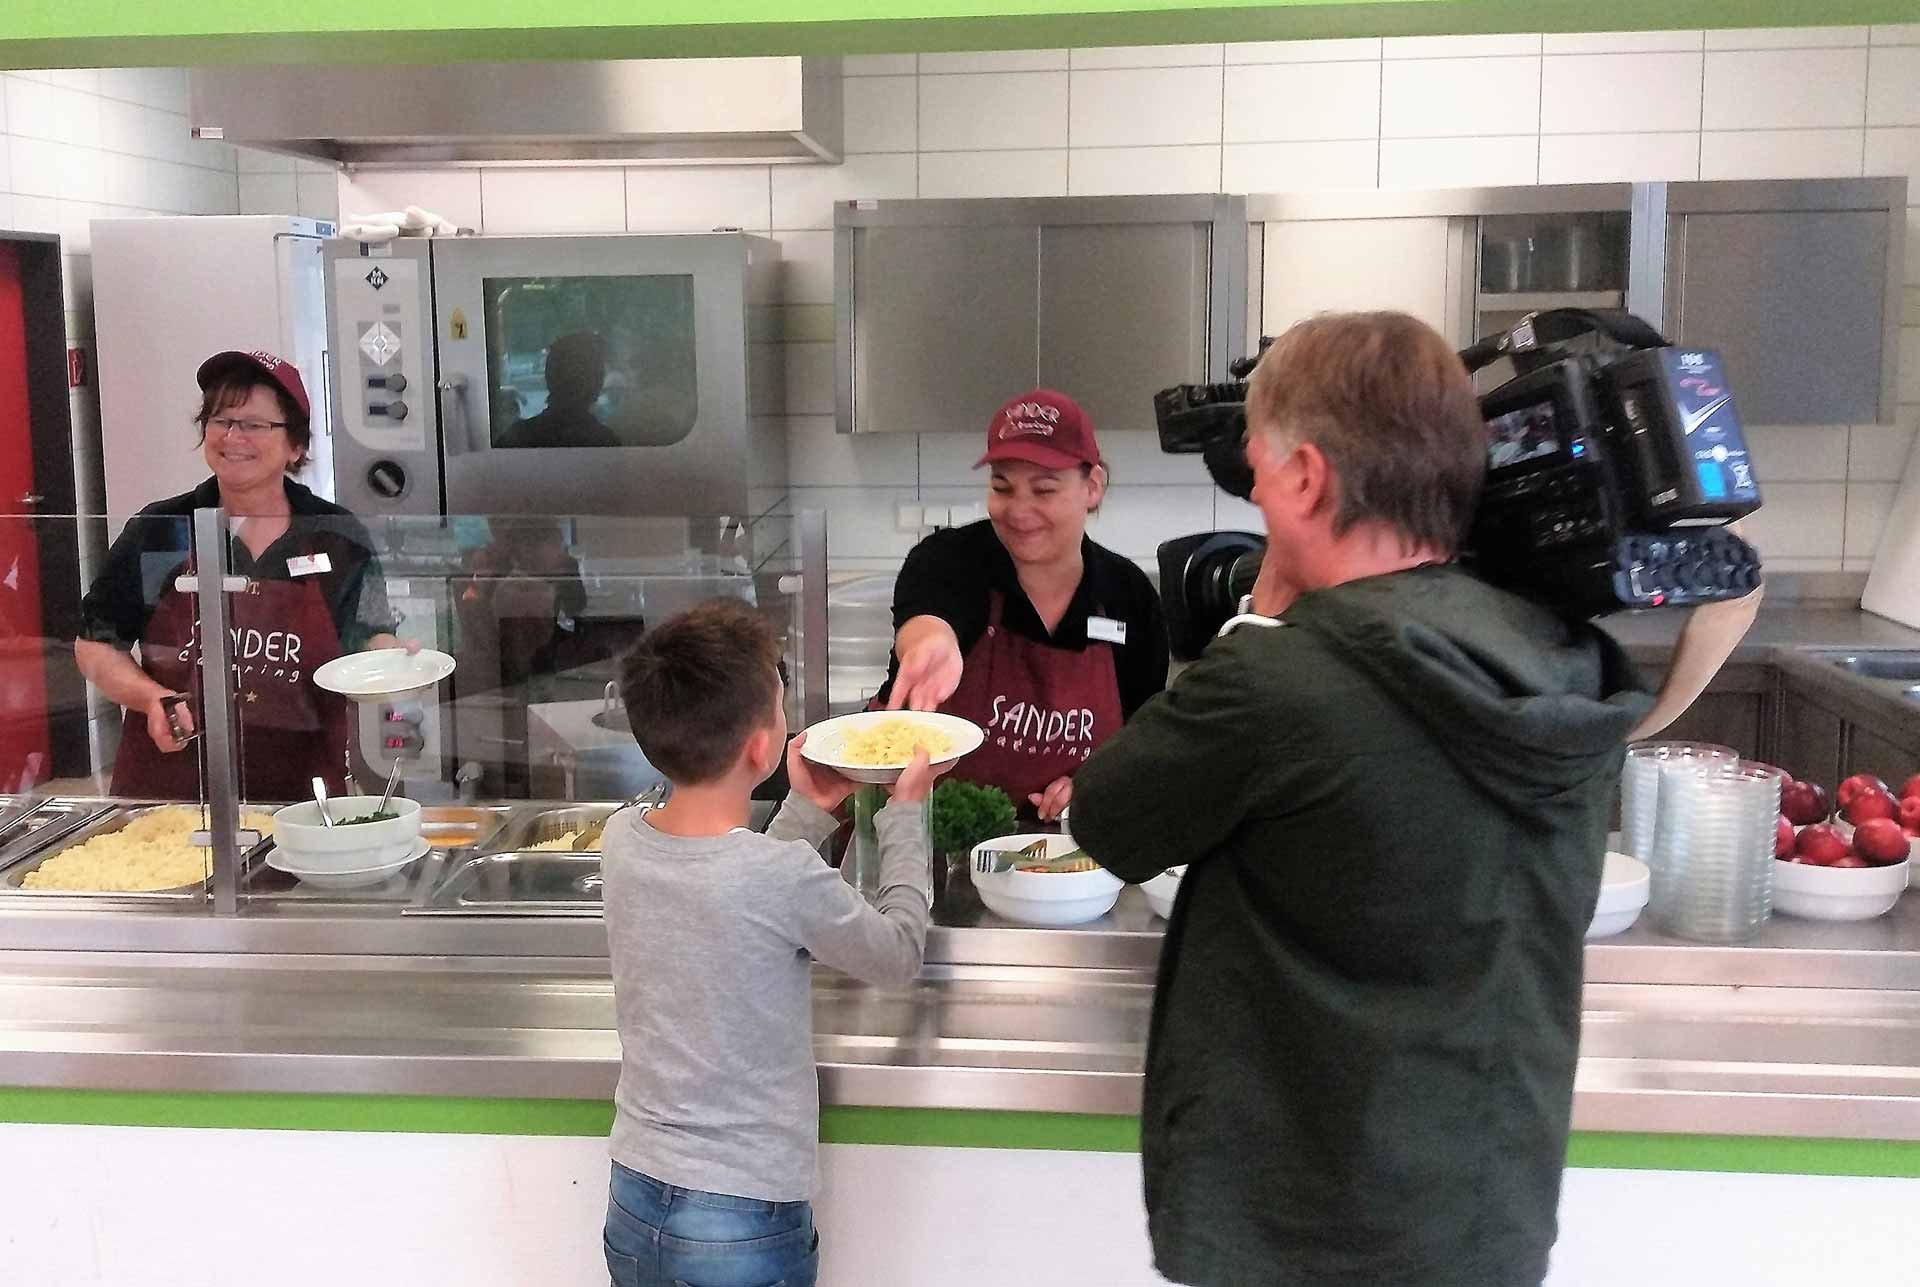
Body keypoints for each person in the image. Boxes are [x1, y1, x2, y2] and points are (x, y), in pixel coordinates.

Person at [1071, 311, 1757, 1287]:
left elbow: (1106, 816)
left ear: (1305, 478)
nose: (1253, 491)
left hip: (1302, 1229)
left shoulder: (1279, 679)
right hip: (1484, 1211)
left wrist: (1258, 623)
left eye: (1257, 466)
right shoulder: (1564, 657)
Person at [600, 598, 942, 1287]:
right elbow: (899, 951)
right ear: (762, 747)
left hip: (635, 1201)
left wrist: (806, 809)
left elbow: (734, 885)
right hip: (744, 1220)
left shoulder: (621, 838)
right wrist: (906, 813)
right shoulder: (781, 877)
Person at [75, 350, 405, 800]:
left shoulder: (335, 535)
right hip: (171, 793)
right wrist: (151, 698)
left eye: (254, 424)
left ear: (295, 446)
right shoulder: (161, 530)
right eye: (220, 420)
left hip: (299, 793)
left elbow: (368, 638)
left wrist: (394, 662)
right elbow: (95, 643)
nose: (233, 436)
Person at [880, 388, 1168, 820]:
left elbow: (1142, 735)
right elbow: (930, 615)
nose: (1018, 509)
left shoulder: (1129, 595)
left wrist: (1097, 781)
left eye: (1043, 490)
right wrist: (931, 643)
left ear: (1092, 487)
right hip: (921, 833)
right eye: (1003, 487)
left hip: (1062, 847)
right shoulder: (949, 559)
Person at [495, 331, 620, 449]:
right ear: (596, 382)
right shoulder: (607, 442)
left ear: (549, 377)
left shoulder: (514, 440)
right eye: (601, 371)